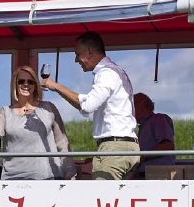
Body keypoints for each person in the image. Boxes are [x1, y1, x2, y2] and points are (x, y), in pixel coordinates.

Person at [41, 32, 138, 179]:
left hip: (114, 149)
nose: (75, 60)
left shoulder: (107, 73)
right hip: (125, 147)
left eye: (77, 54)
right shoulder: (115, 72)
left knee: (102, 198)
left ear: (89, 52)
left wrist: (56, 87)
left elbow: (88, 105)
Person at [0, 65, 73, 180]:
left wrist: (70, 173)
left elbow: (62, 143)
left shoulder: (49, 108)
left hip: (48, 178)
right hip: (14, 179)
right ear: (15, 84)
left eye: (30, 81)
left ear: (35, 85)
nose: (26, 84)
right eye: (21, 81)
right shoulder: (5, 111)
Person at [132, 92, 175, 175]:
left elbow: (167, 146)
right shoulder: (143, 126)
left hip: (158, 174)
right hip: (146, 174)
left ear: (140, 105)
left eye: (131, 106)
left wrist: (143, 156)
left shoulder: (158, 119)